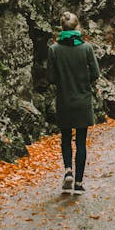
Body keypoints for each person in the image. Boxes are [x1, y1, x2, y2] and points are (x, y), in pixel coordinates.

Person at [46, 11, 100, 195]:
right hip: (83, 99)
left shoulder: (54, 49)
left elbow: (51, 77)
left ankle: (68, 169)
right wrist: (83, 81)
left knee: (66, 137)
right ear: (77, 27)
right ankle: (78, 182)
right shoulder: (86, 48)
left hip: (64, 99)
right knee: (82, 141)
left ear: (62, 28)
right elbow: (95, 74)